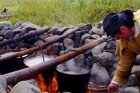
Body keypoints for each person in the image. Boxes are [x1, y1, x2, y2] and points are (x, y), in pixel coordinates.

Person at [102, 9, 140, 92]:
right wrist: (115, 82)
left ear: (123, 29)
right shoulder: (126, 39)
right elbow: (125, 60)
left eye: (117, 36)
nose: (118, 39)